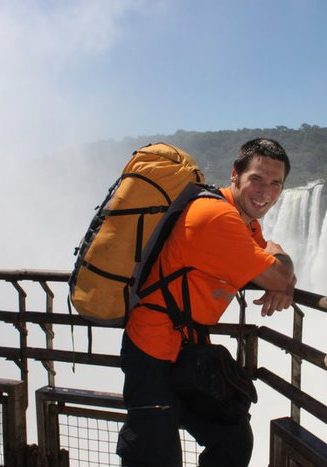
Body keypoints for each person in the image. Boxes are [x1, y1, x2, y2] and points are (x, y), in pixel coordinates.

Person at [117, 138, 296, 467]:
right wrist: (281, 268)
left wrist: (278, 265)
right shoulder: (217, 218)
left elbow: (270, 263)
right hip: (152, 350)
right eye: (256, 178)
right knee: (155, 455)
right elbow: (279, 276)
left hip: (187, 347)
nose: (265, 191)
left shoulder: (243, 220)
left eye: (275, 183)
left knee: (232, 437)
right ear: (235, 175)